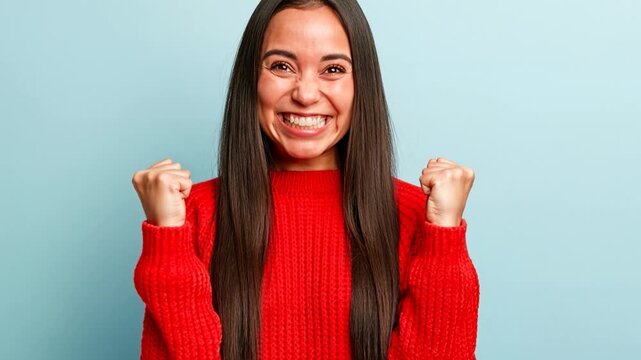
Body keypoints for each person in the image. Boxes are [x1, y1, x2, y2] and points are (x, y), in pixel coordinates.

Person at [131, 0, 479, 359]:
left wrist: (444, 239)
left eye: (333, 69)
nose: (306, 94)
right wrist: (168, 241)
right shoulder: (193, 216)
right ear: (251, 79)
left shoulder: (416, 217)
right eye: (281, 66)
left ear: (363, 85)